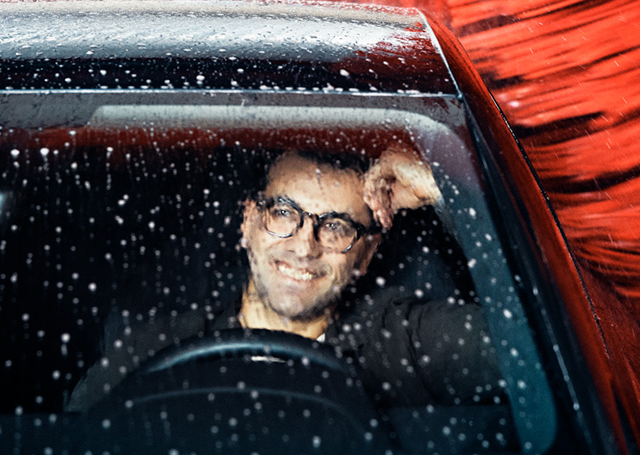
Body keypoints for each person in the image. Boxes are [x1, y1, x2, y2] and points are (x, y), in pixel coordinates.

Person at [66, 146, 503, 411]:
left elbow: (541, 353)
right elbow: (70, 441)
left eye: (335, 227)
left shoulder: (410, 343)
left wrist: (440, 190)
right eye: (284, 215)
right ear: (249, 223)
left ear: (367, 253)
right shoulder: (152, 348)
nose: (304, 246)